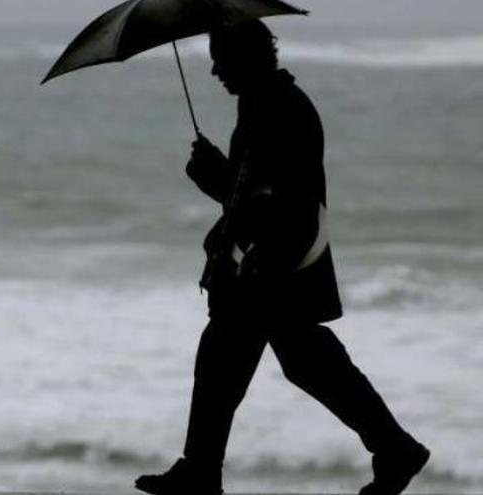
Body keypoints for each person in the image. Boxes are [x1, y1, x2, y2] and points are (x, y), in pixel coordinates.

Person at [134, 20, 430, 495]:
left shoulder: (282, 109)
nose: (213, 71)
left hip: (275, 264)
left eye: (221, 59)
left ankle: (204, 470)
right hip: (267, 262)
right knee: (270, 357)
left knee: (257, 356)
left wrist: (216, 179)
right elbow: (257, 192)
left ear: (247, 58)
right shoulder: (264, 103)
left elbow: (277, 201)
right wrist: (222, 180)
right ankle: (392, 448)